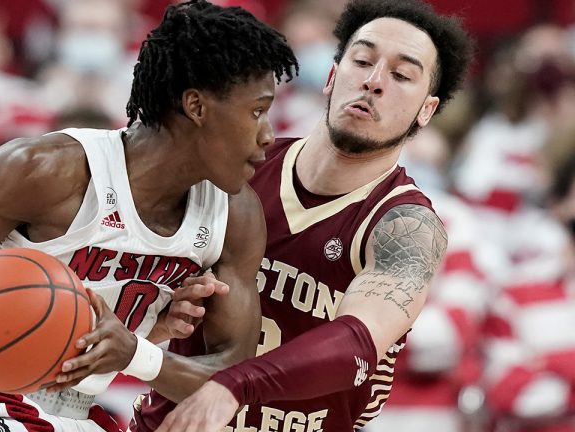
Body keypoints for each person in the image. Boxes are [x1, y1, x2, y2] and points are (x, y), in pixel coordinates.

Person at [0, 1, 298, 431]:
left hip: (79, 411)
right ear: (196, 107)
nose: (268, 134)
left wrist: (138, 351)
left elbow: (233, 382)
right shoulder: (49, 168)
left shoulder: (235, 216)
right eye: (256, 111)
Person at [146, 1, 474, 431]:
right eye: (362, 61)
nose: (373, 82)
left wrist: (233, 386)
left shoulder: (405, 225)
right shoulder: (234, 168)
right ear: (333, 76)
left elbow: (356, 345)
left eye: (401, 75)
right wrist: (157, 321)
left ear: (426, 111)